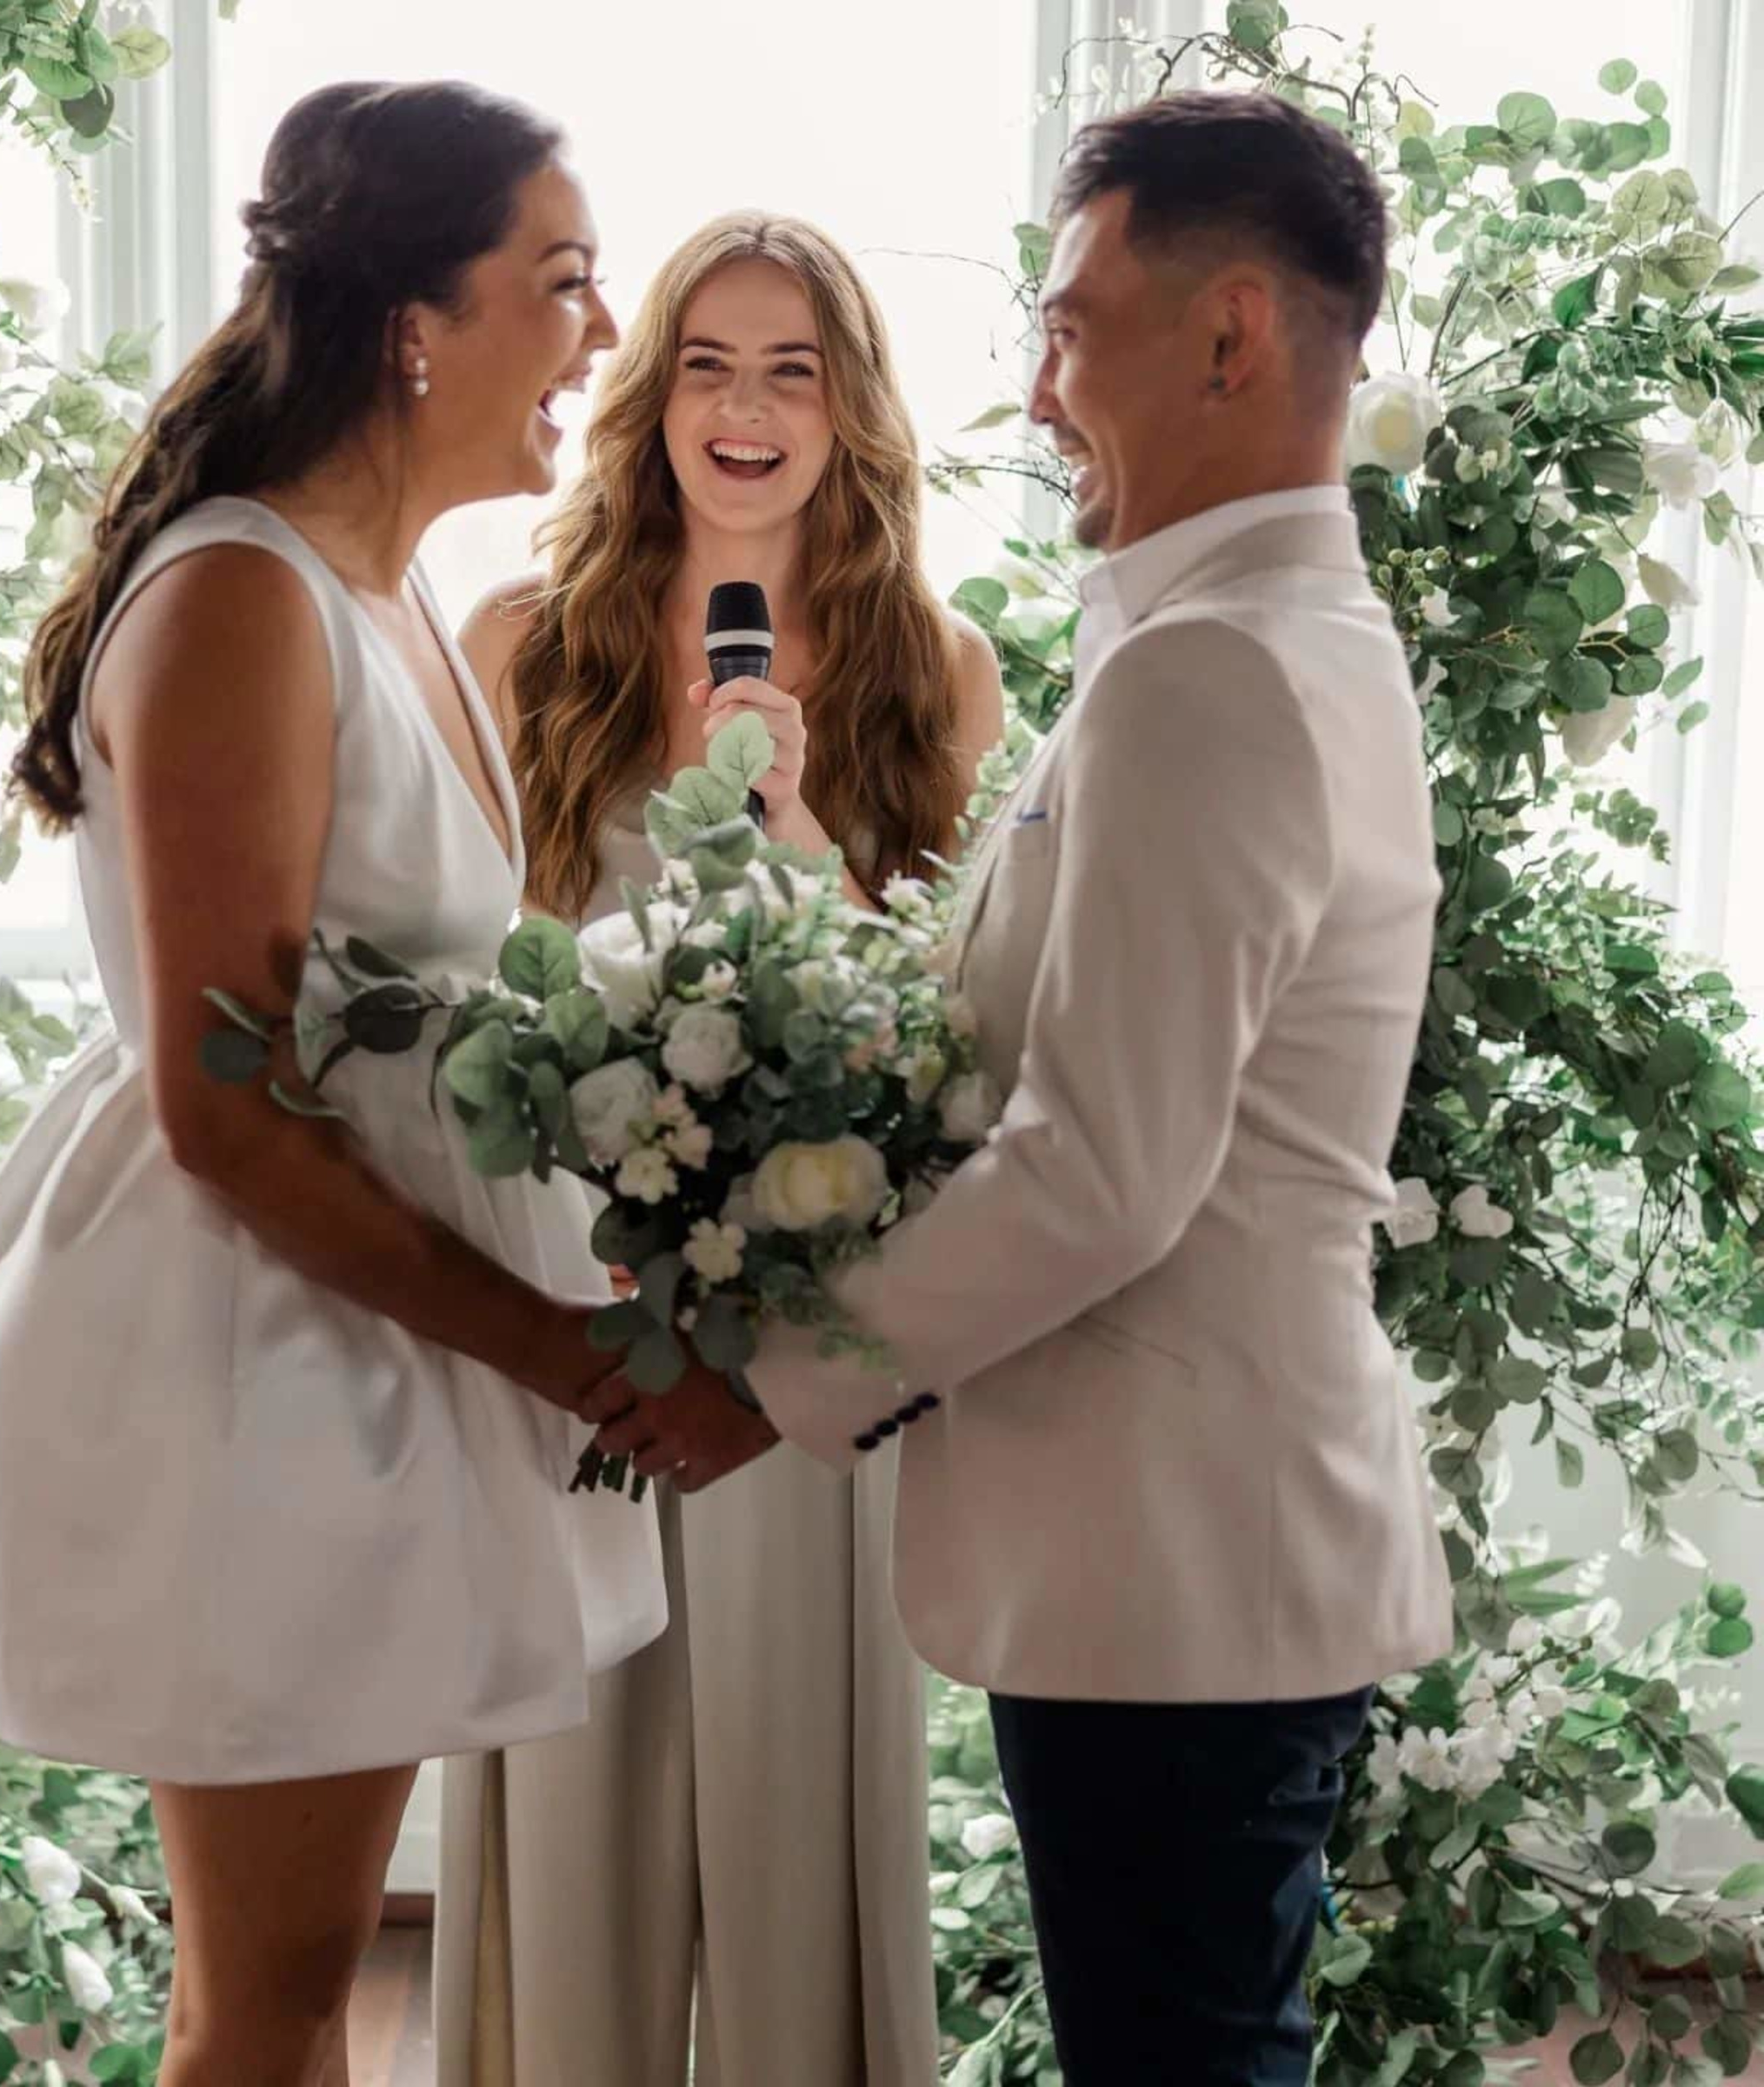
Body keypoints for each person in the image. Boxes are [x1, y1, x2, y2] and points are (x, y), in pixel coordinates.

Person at [588, 95, 1455, 2084]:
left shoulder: (1210, 669)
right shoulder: (1258, 635)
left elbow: (1105, 1173)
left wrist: (764, 1386)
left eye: (1069, 325)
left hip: (1183, 1567)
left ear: (1229, 337)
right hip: (1184, 1558)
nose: (1040, 386)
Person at [0, 81, 709, 2087]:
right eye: (566, 279)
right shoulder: (245, 593)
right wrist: (566, 1355)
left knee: (281, 1988)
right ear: (417, 320)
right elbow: (225, 1102)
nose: (604, 338)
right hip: (257, 1356)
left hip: (358, 1356)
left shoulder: (390, 589)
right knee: (268, 1999)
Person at [436, 213, 1004, 2087]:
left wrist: (796, 825)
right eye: (706, 362)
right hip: (572, 1297)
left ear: (848, 410)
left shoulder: (939, 668)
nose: (745, 407)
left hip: (807, 1308)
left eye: (791, 369)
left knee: (785, 1774)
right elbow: (476, 979)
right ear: (649, 390)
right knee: (576, 1766)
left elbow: (934, 1032)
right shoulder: (527, 639)